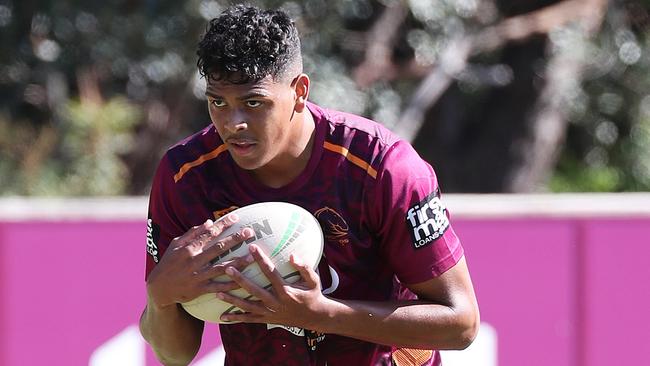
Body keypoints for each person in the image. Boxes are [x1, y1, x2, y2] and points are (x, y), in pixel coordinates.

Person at [139, 4, 479, 366]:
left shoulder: (382, 167)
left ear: (300, 91)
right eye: (217, 102)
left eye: (254, 102)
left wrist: (321, 314)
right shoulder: (186, 176)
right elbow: (175, 354)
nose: (232, 122)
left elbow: (460, 323)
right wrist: (159, 298)